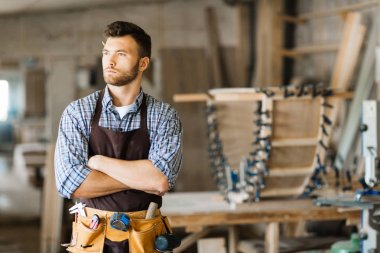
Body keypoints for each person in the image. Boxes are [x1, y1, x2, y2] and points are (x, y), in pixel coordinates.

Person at [55, 21, 183, 253]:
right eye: (106, 53)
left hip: (144, 238)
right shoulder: (78, 112)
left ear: (143, 63)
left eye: (121, 54)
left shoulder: (163, 115)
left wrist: (99, 162)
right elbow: (69, 184)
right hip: (92, 237)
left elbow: (161, 180)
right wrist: (143, 178)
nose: (109, 62)